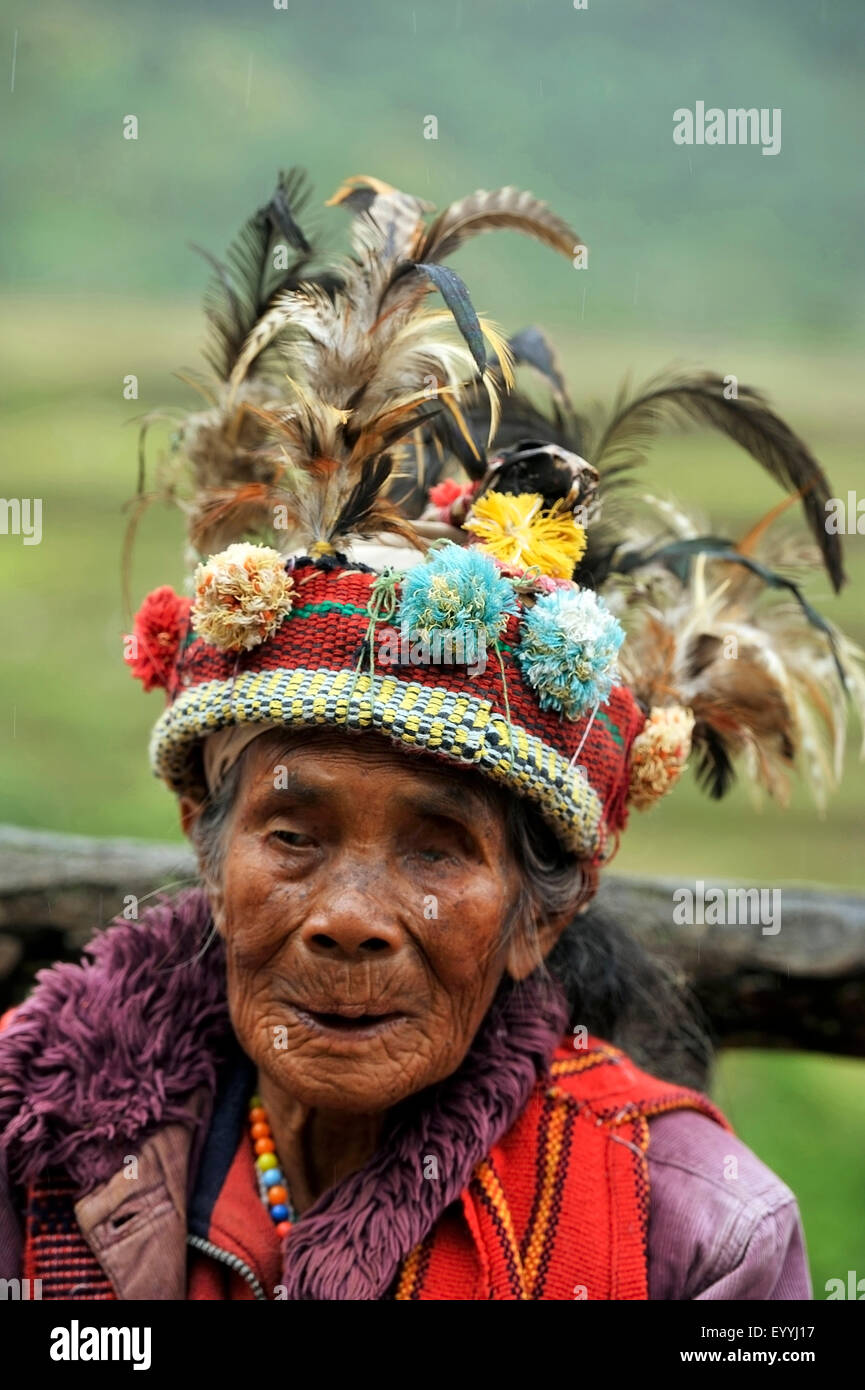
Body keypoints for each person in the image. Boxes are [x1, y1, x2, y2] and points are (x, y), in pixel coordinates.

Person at [1, 170, 860, 1300]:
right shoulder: (37, 1137)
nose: (349, 920)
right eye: (292, 833)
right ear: (204, 846)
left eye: (439, 848)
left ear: (540, 916)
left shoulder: (697, 1236)